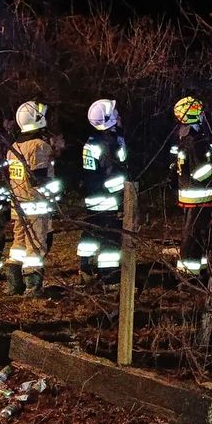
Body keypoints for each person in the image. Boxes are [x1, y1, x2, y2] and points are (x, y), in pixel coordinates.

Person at [3, 100, 62, 296]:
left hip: (18, 205)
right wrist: (56, 193)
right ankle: (32, 287)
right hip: (35, 205)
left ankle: (13, 284)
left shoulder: (14, 146)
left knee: (18, 243)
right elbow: (39, 179)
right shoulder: (38, 146)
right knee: (35, 246)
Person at [77, 99, 128, 285]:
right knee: (110, 238)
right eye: (115, 113)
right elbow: (119, 165)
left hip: (92, 197)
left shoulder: (92, 142)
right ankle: (110, 277)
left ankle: (86, 269)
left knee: (90, 234)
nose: (118, 115)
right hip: (108, 200)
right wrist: (122, 192)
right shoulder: (109, 143)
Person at [170, 96, 212, 279]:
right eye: (199, 111)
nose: (203, 114)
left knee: (197, 233)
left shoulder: (186, 136)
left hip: (194, 195)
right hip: (198, 196)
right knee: (193, 234)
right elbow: (199, 173)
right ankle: (189, 274)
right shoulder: (194, 141)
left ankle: (198, 267)